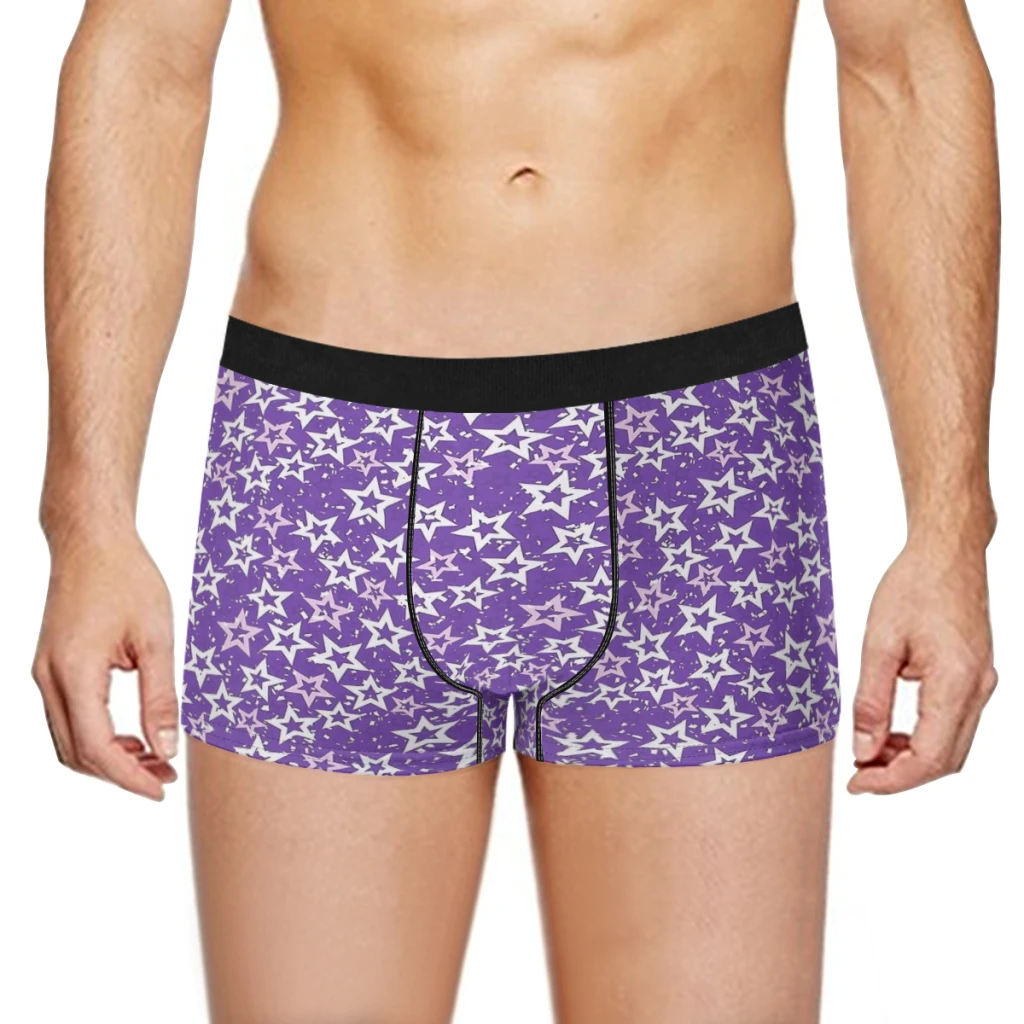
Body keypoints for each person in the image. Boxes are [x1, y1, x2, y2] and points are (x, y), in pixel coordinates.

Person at [33, 0, 999, 1021]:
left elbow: (905, 62)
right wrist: (86, 517)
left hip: (705, 473)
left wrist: (951, 529)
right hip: (328, 462)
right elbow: (145, 61)